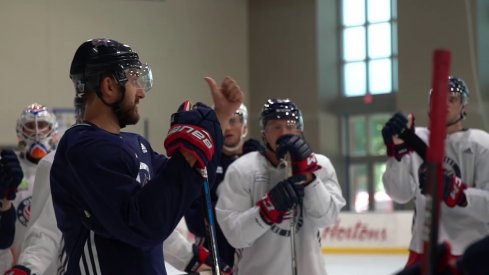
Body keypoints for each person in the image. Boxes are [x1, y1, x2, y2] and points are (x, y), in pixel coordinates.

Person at [50, 38, 242, 275]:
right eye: (133, 81)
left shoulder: (135, 144)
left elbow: (187, 191)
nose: (141, 92)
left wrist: (219, 119)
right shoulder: (83, 148)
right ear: (109, 86)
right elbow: (143, 226)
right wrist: (188, 151)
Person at [215, 98, 345, 275]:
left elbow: (327, 218)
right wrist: (267, 210)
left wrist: (309, 178)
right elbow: (235, 236)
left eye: (290, 126)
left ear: (300, 130)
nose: (284, 132)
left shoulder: (321, 165)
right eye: (275, 126)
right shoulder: (242, 170)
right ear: (264, 133)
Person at [382, 76, 489, 267]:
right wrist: (395, 152)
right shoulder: (414, 137)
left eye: (452, 99)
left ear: (463, 106)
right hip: (423, 251)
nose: (444, 104)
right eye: (439, 98)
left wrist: (460, 194)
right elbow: (399, 194)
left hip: (468, 254)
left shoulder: (481, 144)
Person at [184, 103, 264, 273]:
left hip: (253, 256)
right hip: (214, 256)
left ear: (244, 126)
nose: (228, 127)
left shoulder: (260, 162)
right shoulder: (204, 162)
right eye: (224, 122)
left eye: (234, 121)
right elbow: (195, 223)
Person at [0, 103, 58, 274]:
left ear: (52, 129)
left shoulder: (61, 166)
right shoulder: (9, 169)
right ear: (21, 131)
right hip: (16, 262)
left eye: (42, 125)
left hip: (53, 263)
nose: (37, 132)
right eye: (31, 126)